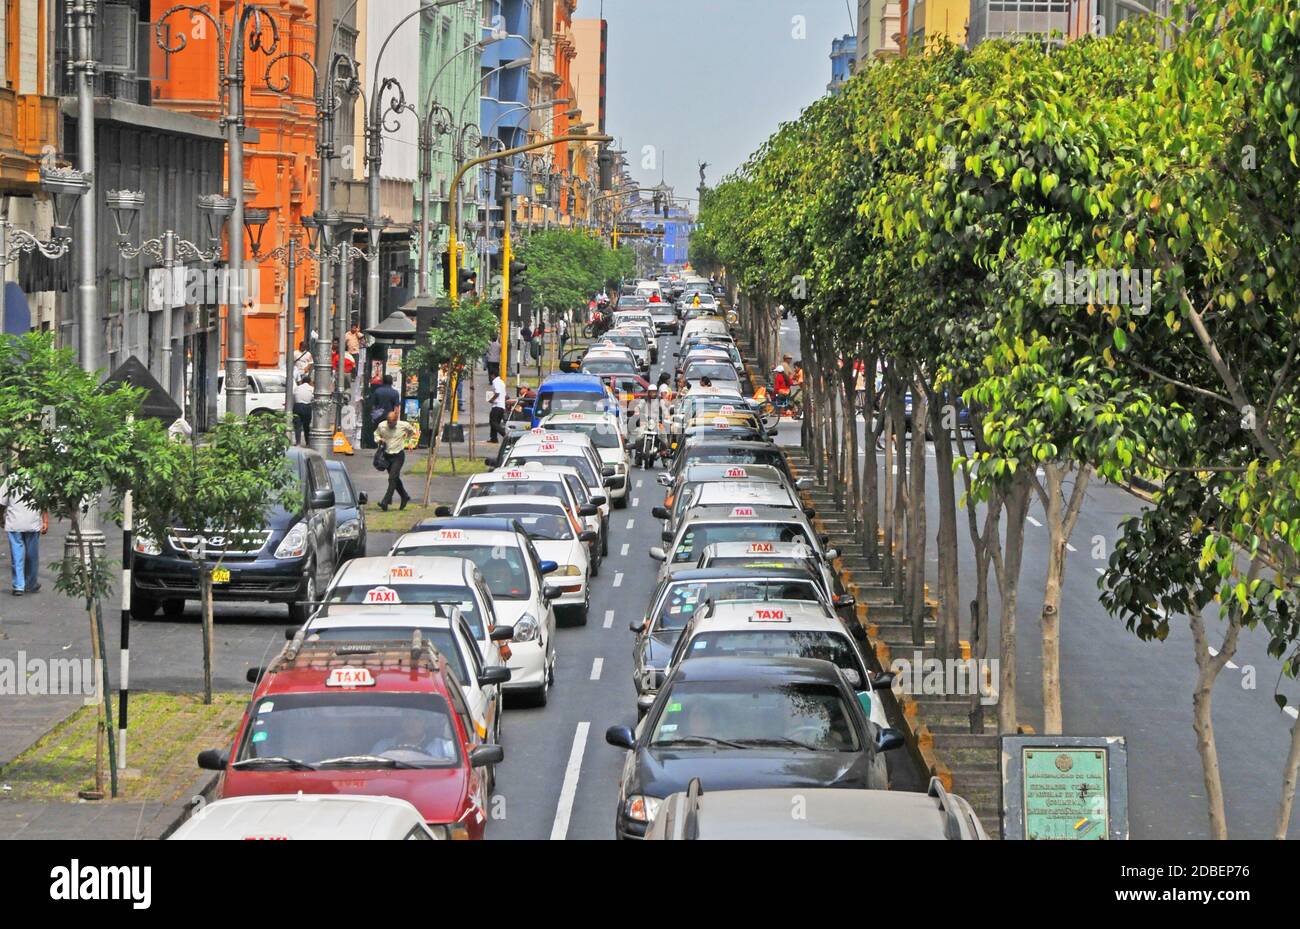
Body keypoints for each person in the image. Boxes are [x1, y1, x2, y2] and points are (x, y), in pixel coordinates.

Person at [0, 478, 47, 597]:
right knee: (32, 556)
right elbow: (44, 501)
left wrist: (1, 518)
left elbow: (1, 502)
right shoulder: (38, 477)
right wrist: (45, 521)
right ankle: (31, 584)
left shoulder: (10, 479)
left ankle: (18, 586)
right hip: (32, 523)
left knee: (17, 556)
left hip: (15, 523)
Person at [374, 407, 416, 511]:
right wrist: (379, 439)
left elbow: (412, 431)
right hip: (387, 455)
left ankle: (385, 501)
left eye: (392, 423)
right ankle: (404, 496)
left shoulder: (403, 425)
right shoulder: (382, 426)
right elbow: (376, 434)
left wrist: (408, 440)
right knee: (395, 479)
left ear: (396, 421)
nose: (390, 425)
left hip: (398, 455)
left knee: (392, 478)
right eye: (389, 422)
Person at [293, 375, 314, 446]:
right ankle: (307, 442)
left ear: (302, 381)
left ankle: (298, 442)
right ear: (310, 382)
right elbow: (313, 398)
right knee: (306, 426)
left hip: (297, 406)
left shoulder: (297, 388)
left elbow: (293, 396)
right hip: (307, 407)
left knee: (297, 426)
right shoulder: (311, 388)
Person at [488, 370, 508, 443]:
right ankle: (494, 438)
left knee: (493, 422)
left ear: (493, 375)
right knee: (496, 422)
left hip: (497, 405)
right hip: (501, 406)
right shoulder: (502, 382)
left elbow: (497, 392)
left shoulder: (495, 382)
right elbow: (505, 395)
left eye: (490, 376)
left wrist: (491, 399)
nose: (490, 377)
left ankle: (504, 434)